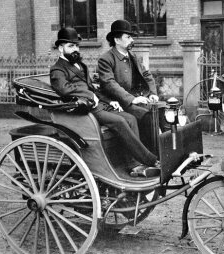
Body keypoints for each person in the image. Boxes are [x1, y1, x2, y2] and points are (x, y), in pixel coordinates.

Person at [50, 27, 160, 176]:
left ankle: (134, 163)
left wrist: (109, 100)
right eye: (71, 46)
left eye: (76, 45)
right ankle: (149, 160)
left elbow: (93, 89)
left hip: (98, 105)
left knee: (131, 118)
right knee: (120, 121)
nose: (75, 49)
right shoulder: (57, 70)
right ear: (61, 48)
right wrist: (89, 96)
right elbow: (65, 89)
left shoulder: (80, 65)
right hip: (83, 110)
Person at [97, 19, 161, 150]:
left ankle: (170, 151)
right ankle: (151, 155)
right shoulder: (106, 59)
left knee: (164, 111)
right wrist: (132, 99)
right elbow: (110, 84)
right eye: (128, 37)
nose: (132, 40)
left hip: (138, 98)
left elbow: (147, 75)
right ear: (117, 40)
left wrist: (153, 93)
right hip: (119, 103)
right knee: (147, 116)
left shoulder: (133, 56)